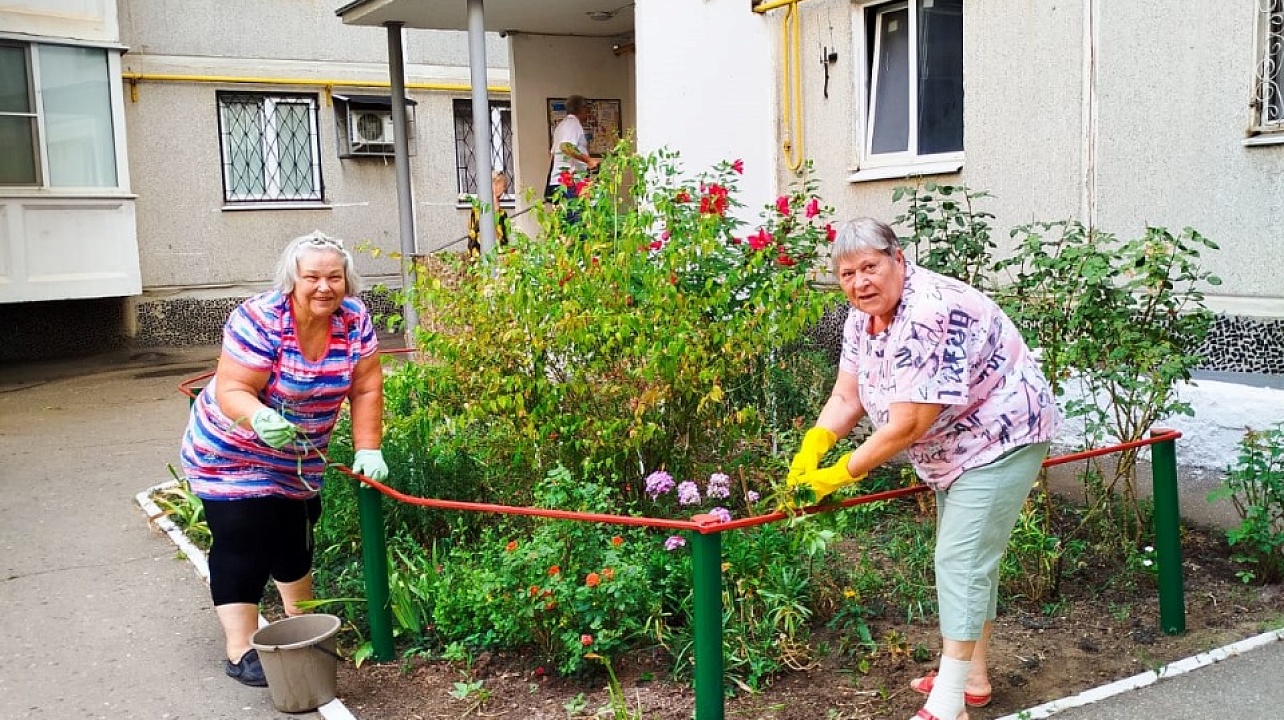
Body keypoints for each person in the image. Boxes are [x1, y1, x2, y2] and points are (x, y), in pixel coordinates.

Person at [788, 217, 1060, 720]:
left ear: (898, 259)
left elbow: (909, 423)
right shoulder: (860, 317)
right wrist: (814, 444)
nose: (859, 282)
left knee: (959, 560)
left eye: (869, 267)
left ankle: (950, 700)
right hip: (952, 447)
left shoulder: (928, 312)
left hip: (1002, 433)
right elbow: (846, 395)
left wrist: (841, 472)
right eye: (847, 274)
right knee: (970, 559)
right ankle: (971, 678)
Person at [179, 231, 388, 687]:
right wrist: (259, 417)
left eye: (334, 277)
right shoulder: (261, 318)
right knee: (244, 533)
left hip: (297, 457)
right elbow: (233, 387)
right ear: (292, 280)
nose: (324, 287)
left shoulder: (353, 320)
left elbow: (367, 386)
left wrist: (368, 447)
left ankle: (302, 624)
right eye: (311, 276)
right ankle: (240, 647)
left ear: (346, 280)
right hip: (231, 450)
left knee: (295, 534)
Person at [545, 94, 600, 224]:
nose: (588, 113)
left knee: (564, 226)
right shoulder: (572, 124)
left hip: (560, 183)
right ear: (581, 109)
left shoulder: (562, 125)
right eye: (587, 109)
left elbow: (553, 153)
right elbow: (565, 146)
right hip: (568, 184)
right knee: (576, 224)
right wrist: (588, 161)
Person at [467, 170, 512, 257]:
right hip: (480, 253)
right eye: (500, 184)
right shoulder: (479, 209)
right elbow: (478, 232)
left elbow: (503, 238)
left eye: (504, 186)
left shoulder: (502, 213)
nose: (503, 189)